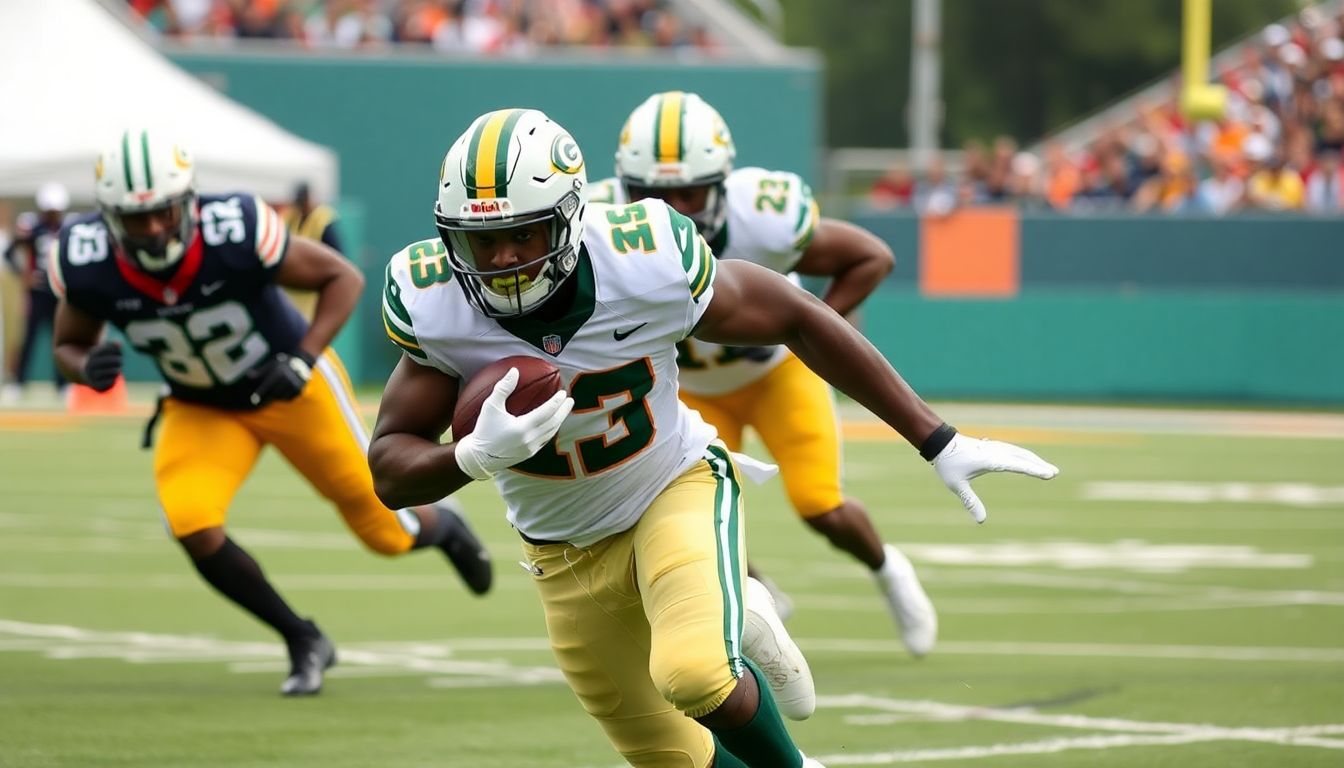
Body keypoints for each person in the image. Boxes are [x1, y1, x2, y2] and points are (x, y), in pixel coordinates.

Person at [368, 108, 1058, 768]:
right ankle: (746, 608)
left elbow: (798, 314)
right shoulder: (437, 305)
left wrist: (936, 438)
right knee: (671, 756)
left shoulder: (642, 261)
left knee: (694, 673)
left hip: (670, 487)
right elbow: (390, 468)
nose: (505, 259)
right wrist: (472, 456)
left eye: (525, 234)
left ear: (571, 217)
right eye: (482, 240)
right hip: (559, 551)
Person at [50, 128, 493, 697]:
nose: (155, 228)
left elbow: (342, 277)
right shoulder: (85, 258)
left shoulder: (232, 230)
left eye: (164, 212)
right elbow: (69, 343)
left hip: (291, 390)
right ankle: (301, 637)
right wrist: (84, 368)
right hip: (203, 405)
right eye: (138, 219)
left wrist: (302, 358)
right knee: (190, 521)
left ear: (188, 201)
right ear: (110, 218)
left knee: (386, 532)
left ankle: (445, 529)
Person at [591, 90, 936, 657]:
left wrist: (823, 332)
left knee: (819, 504)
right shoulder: (603, 224)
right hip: (690, 390)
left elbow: (869, 256)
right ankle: (759, 590)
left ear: (722, 185)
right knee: (677, 514)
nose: (671, 208)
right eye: (653, 192)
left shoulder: (763, 219)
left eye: (688, 191)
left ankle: (887, 568)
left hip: (776, 372)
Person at [4, 182, 71, 401]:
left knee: (60, 341)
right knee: (29, 339)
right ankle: (18, 383)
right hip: (37, 292)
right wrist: (23, 275)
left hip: (59, 294)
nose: (53, 215)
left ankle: (62, 386)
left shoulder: (68, 228)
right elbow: (10, 252)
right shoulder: (32, 226)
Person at [281, 181, 344, 319]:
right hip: (292, 291)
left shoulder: (323, 220)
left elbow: (339, 258)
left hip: (315, 290)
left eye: (303, 202)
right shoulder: (291, 217)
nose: (301, 207)